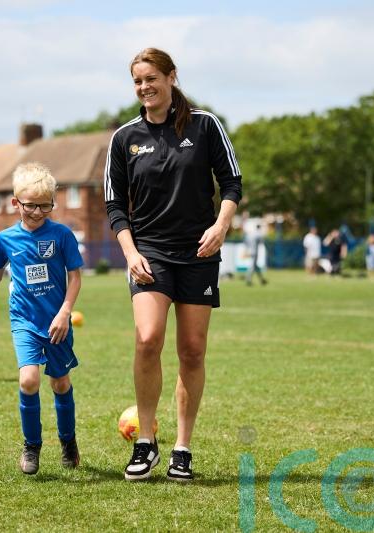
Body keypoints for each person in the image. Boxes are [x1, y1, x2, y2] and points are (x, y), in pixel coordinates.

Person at [104, 47, 242, 482]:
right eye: (137, 81)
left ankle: (182, 448)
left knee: (192, 350)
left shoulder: (205, 125)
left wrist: (221, 225)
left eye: (151, 78)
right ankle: (145, 441)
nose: (145, 87)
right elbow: (114, 203)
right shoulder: (124, 138)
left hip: (199, 253)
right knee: (148, 339)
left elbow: (232, 182)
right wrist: (131, 253)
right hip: (149, 254)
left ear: (171, 77)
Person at [0, 163, 84, 475]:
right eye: (31, 205)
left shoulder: (61, 235)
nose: (38, 212)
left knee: (60, 383)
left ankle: (68, 441)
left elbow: (75, 277)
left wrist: (65, 312)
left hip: (57, 322)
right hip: (24, 320)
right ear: (15, 202)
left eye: (45, 206)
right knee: (28, 380)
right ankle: (31, 446)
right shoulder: (6, 239)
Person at [243, 216, 268, 286]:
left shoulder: (251, 234)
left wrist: (246, 250)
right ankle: (248, 279)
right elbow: (262, 242)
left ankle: (262, 279)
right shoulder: (259, 234)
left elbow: (246, 241)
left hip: (249, 251)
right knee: (253, 266)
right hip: (255, 252)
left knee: (255, 266)